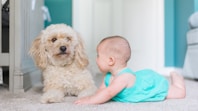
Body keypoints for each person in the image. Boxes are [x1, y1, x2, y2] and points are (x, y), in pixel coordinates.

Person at [75, 35, 186, 105]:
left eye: (98, 56)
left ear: (110, 60)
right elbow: (101, 91)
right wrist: (92, 97)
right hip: (139, 79)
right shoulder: (108, 76)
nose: (96, 59)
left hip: (148, 84)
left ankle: (177, 79)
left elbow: (108, 93)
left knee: (180, 93)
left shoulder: (124, 77)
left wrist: (90, 101)